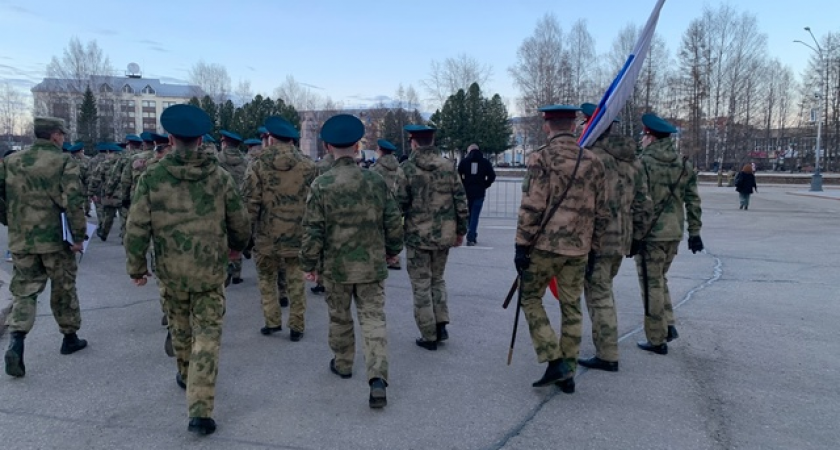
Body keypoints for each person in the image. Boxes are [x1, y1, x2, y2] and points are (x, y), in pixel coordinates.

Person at [124, 104, 251, 435]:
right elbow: (240, 222)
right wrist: (236, 248)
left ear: (170, 137)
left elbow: (136, 226)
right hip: (210, 272)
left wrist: (137, 267)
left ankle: (184, 372)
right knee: (208, 336)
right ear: (200, 140)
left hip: (170, 271)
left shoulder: (152, 177)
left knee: (180, 329)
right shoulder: (219, 178)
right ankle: (200, 410)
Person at [300, 113, 403, 409]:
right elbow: (393, 221)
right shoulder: (375, 181)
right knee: (373, 319)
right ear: (358, 146)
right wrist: (393, 249)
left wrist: (309, 264)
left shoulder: (322, 184)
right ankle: (378, 378)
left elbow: (313, 229)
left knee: (340, 316)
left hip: (336, 267)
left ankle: (344, 363)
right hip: (371, 265)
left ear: (328, 146)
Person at [514, 105, 608, 392]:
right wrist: (595, 247)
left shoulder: (541, 158)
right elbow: (602, 211)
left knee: (529, 297)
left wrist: (520, 245)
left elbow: (532, 205)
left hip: (544, 246)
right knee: (572, 306)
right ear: (574, 125)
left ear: (547, 126)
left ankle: (553, 359)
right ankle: (567, 370)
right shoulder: (593, 161)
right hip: (578, 248)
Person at [1, 117, 89, 378]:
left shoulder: (12, 161)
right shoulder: (63, 161)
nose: (63, 138)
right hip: (55, 240)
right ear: (54, 136)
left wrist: (9, 218)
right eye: (62, 134)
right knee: (63, 287)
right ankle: (69, 337)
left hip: (22, 239)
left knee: (25, 291)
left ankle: (16, 340)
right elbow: (73, 201)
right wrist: (79, 236)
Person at [576, 103, 652, 372]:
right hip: (622, 238)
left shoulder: (590, 158)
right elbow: (643, 203)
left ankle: (607, 354)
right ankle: (606, 347)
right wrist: (637, 237)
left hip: (595, 239)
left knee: (598, 295)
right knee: (605, 289)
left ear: (593, 124)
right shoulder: (632, 159)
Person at [634, 113, 703, 355]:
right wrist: (695, 232)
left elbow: (636, 201)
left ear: (650, 137)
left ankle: (656, 338)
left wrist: (632, 233)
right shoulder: (683, 164)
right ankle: (668, 324)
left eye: (644, 135)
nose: (642, 140)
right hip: (674, 232)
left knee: (651, 284)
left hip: (649, 235)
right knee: (660, 279)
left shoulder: (642, 164)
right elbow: (693, 200)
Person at [243, 116, 316, 339]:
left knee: (266, 279)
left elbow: (250, 203)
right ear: (293, 141)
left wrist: (245, 236)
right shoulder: (309, 166)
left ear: (271, 139)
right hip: (298, 235)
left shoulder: (257, 165)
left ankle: (272, 321)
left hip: (267, 236)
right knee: (296, 281)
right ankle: (297, 326)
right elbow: (315, 204)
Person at [400, 124, 468, 350]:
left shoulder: (407, 169)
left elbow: (398, 204)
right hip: (443, 235)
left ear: (414, 142)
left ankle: (428, 334)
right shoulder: (449, 167)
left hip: (417, 236)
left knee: (421, 284)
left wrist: (392, 235)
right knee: (437, 280)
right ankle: (440, 325)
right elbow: (461, 200)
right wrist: (461, 231)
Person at [370, 139, 407, 270]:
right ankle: (395, 258)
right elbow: (404, 191)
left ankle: (382, 258)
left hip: (379, 205)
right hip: (396, 206)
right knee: (395, 230)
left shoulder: (375, 169)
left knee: (380, 233)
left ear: (380, 150)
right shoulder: (400, 168)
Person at [217, 130, 248, 286]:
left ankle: (224, 267)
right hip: (241, 201)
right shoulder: (245, 161)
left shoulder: (217, 159)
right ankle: (237, 271)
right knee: (237, 232)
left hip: (221, 202)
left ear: (224, 142)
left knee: (222, 235)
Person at [457, 143, 496, 246]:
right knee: (475, 215)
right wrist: (485, 185)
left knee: (468, 215)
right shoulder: (485, 162)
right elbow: (492, 176)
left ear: (469, 151)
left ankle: (471, 233)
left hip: (467, 191)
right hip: (479, 192)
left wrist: (463, 184)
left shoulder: (464, 162)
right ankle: (471, 236)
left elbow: (458, 175)